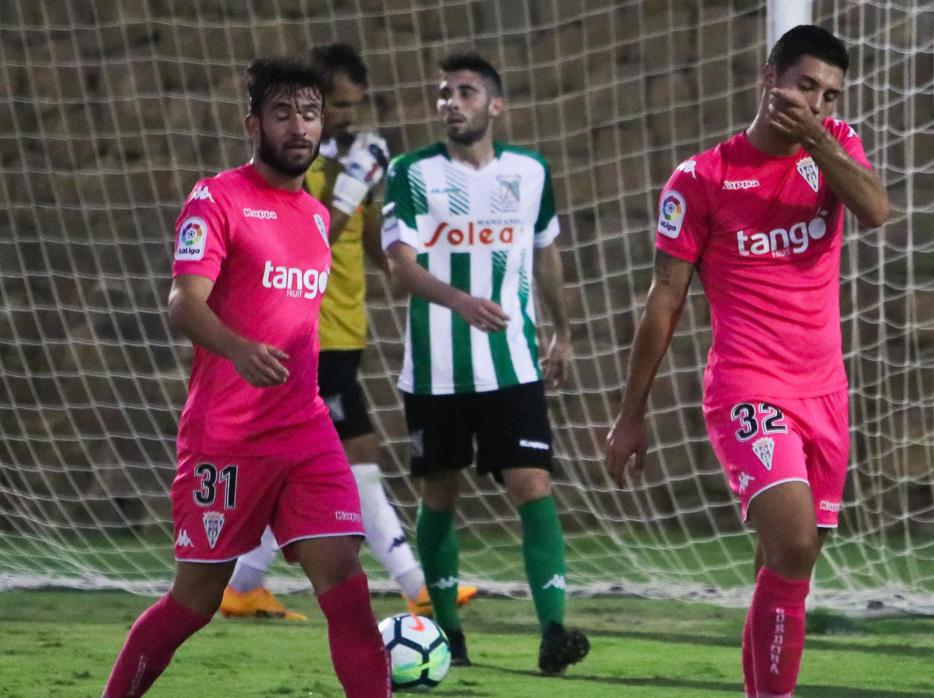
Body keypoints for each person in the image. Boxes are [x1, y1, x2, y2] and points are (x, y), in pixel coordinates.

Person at [605, 25, 890, 698]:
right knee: (791, 547)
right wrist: (630, 413)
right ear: (770, 78)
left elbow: (877, 210)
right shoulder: (701, 179)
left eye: (829, 95)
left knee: (788, 563)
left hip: (824, 392)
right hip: (747, 388)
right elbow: (663, 299)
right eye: (805, 86)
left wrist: (820, 138)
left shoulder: (835, 148)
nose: (816, 104)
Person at [102, 57, 390, 697]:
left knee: (348, 591)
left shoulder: (317, 217)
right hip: (226, 437)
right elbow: (183, 302)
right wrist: (237, 349)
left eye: (310, 114)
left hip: (305, 431)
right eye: (283, 113)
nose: (299, 127)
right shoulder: (217, 197)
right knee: (193, 604)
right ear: (252, 124)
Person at [219, 42, 476, 623]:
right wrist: (354, 181)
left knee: (303, 461)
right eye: (333, 105)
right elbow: (315, 233)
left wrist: (407, 276)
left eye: (350, 107)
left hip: (344, 324)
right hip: (308, 330)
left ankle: (243, 581)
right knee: (356, 454)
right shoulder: (296, 166)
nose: (342, 117)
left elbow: (356, 235)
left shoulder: (350, 157)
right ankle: (416, 584)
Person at [381, 51, 589, 675]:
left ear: (496, 105)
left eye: (466, 92)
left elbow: (546, 253)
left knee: (533, 485)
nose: (452, 102)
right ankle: (447, 632)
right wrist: (460, 302)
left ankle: (554, 630)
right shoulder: (410, 172)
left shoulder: (530, 172)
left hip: (514, 363)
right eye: (444, 92)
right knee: (440, 494)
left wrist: (564, 332)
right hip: (436, 369)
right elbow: (399, 264)